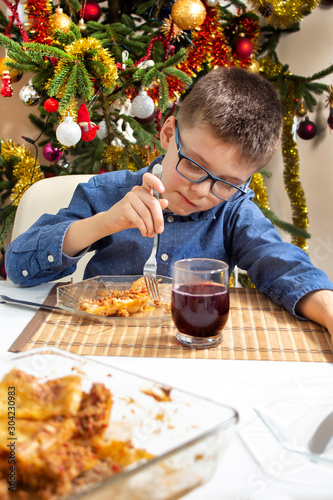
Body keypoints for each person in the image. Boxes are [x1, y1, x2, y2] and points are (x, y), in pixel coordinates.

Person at [5, 67, 333, 339]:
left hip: (191, 359)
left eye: (228, 183)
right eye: (193, 164)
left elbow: (284, 265)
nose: (202, 191)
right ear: (166, 133)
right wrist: (105, 222)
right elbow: (18, 266)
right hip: (100, 346)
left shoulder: (234, 211)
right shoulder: (107, 191)